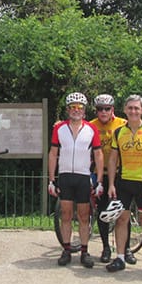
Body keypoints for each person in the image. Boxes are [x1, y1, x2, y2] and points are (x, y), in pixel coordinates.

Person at [105, 95, 142, 275]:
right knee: (121, 220)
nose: (133, 111)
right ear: (125, 110)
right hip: (123, 183)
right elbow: (112, 159)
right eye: (130, 108)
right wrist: (111, 184)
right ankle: (120, 257)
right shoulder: (118, 132)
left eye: (137, 108)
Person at [48, 92, 104, 269]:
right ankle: (66, 250)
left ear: (84, 110)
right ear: (68, 110)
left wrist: (99, 181)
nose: (76, 110)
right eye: (73, 107)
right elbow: (53, 154)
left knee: (83, 216)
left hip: (83, 176)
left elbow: (98, 154)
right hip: (65, 176)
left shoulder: (91, 129)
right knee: (65, 215)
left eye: (79, 107)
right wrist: (51, 180)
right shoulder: (59, 128)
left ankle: (84, 251)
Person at [89, 94, 128, 264]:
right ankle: (106, 247)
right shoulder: (91, 126)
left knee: (123, 212)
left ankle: (126, 249)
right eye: (100, 109)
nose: (103, 112)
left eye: (107, 109)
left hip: (120, 173)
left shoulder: (123, 123)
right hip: (100, 173)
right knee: (103, 212)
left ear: (113, 109)